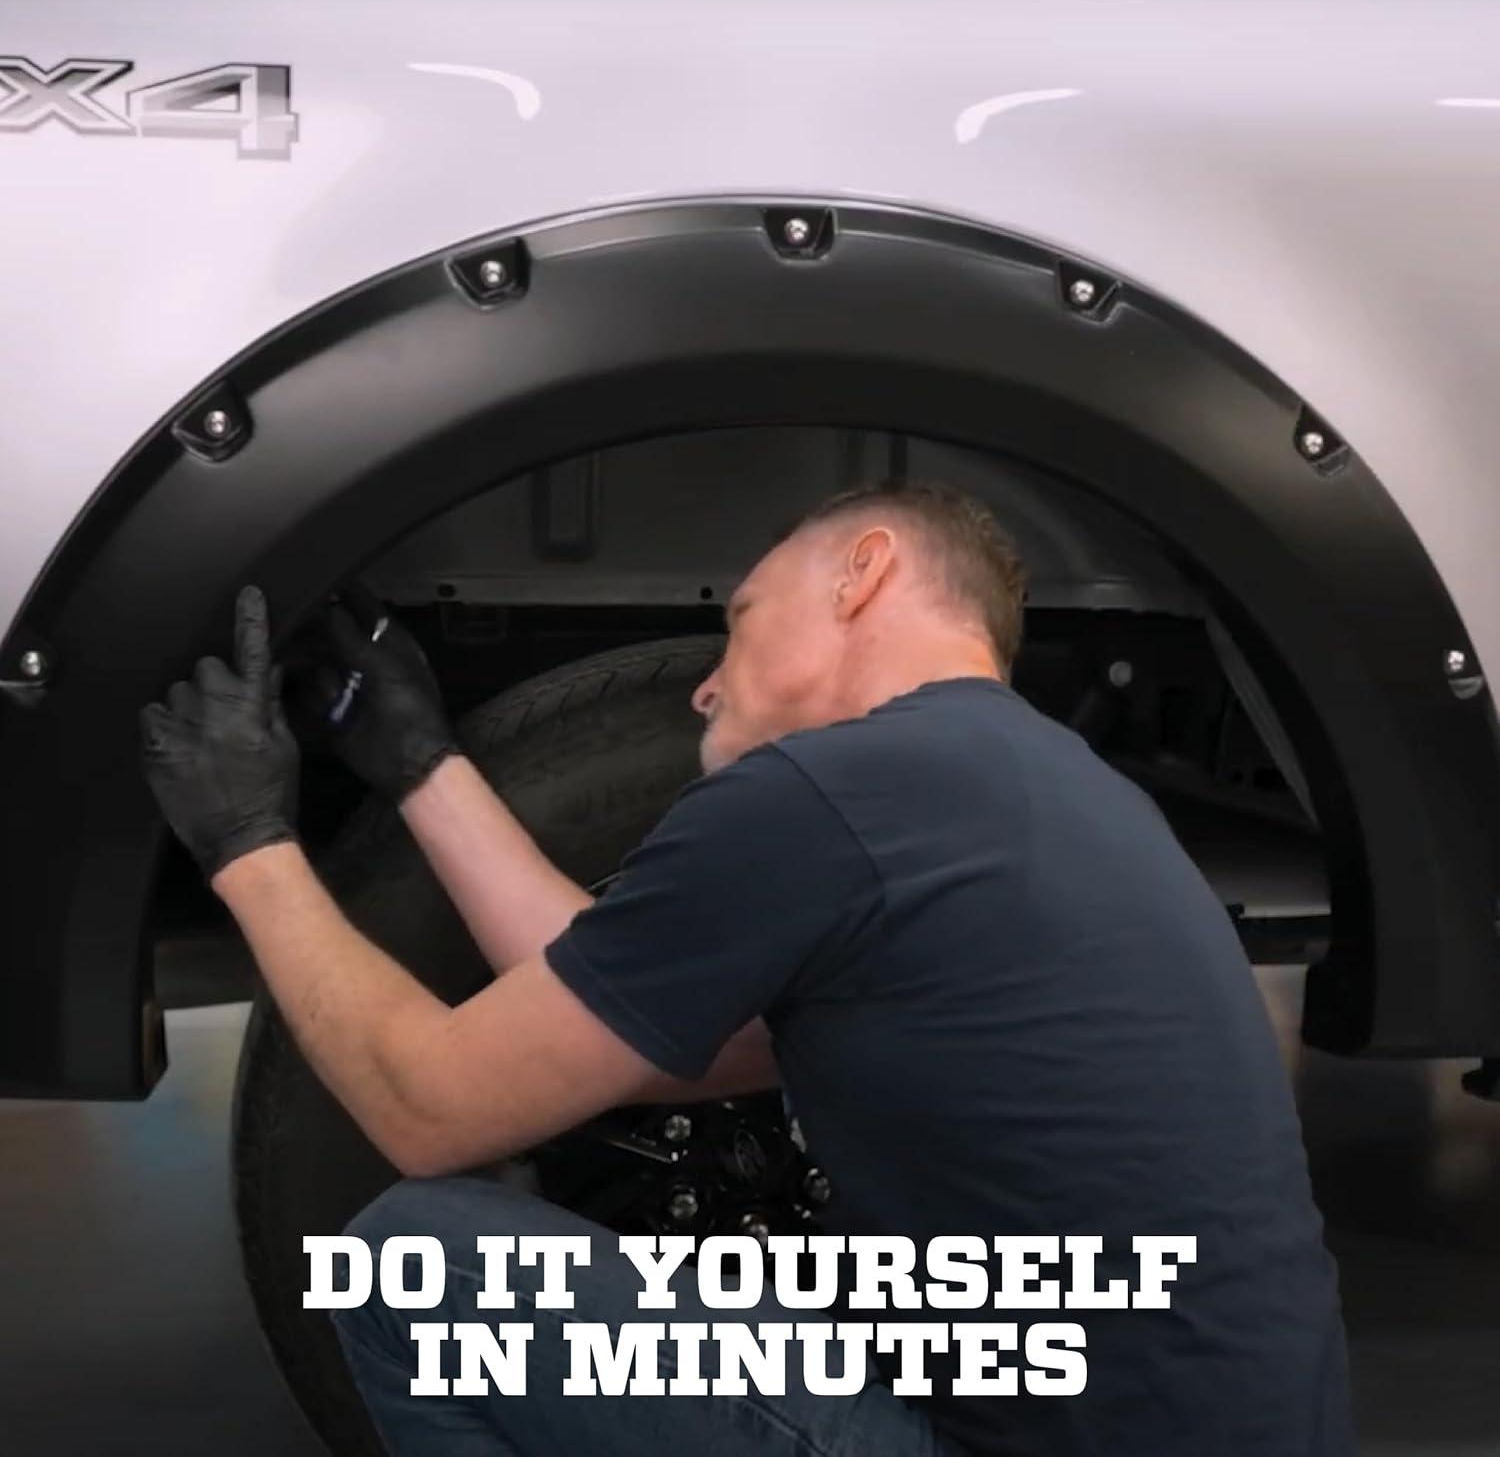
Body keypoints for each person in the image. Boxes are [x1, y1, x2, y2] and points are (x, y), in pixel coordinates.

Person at [140, 479, 1355, 1456]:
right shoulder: (1057, 800)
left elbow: (428, 1107)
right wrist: (421, 765)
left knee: (419, 1265)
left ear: (862, 572)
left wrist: (244, 840)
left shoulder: (830, 791)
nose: (708, 682)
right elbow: (649, 1035)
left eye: (742, 615)